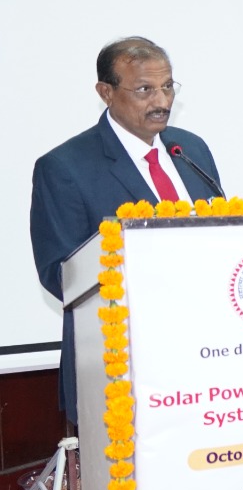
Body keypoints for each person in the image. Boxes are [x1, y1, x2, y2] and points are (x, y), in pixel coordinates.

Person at [31, 37, 224, 422]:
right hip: (122, 367)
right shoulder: (65, 167)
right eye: (144, 90)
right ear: (106, 92)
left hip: (206, 356)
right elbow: (60, 275)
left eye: (168, 86)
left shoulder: (191, 150)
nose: (162, 101)